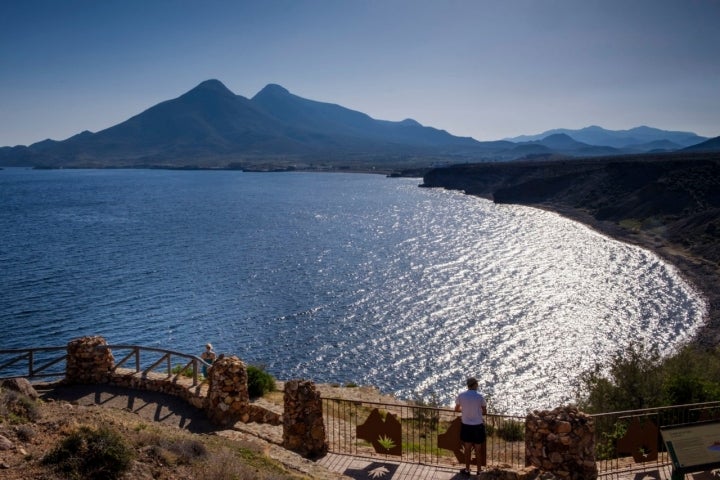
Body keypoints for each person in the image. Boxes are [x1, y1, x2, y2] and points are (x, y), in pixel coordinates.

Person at [455, 377, 487, 476]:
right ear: (475, 385)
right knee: (478, 449)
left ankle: (467, 469)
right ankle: (479, 470)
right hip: (477, 426)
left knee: (467, 448)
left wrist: (464, 411)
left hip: (466, 426)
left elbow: (456, 409)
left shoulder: (461, 395)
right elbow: (484, 411)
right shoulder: (480, 396)